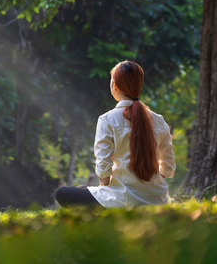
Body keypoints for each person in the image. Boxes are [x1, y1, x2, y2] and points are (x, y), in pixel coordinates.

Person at [55, 61, 175, 208]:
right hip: (157, 199)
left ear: (114, 86)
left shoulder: (107, 119)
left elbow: (103, 165)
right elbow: (168, 166)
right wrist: (149, 186)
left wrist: (105, 185)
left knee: (62, 193)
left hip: (121, 200)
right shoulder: (159, 120)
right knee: (82, 189)